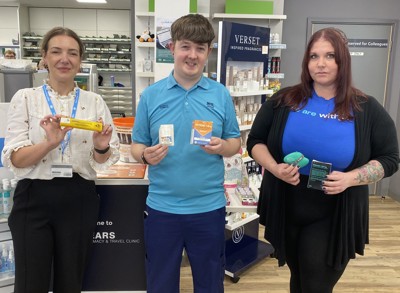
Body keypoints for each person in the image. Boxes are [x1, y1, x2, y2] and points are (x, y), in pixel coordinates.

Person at [247, 27, 399, 293]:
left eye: (330, 56)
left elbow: (390, 158)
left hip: (335, 211)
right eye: (314, 56)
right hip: (288, 205)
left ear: (343, 61)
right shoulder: (283, 101)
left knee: (316, 284)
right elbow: (255, 141)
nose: (320, 63)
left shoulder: (366, 108)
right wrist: (274, 168)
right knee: (298, 279)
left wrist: (351, 179)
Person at [1, 27, 120, 293]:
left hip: (79, 197)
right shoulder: (26, 98)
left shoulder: (95, 101)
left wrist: (101, 147)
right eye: (56, 51)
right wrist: (49, 143)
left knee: (71, 283)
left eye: (72, 53)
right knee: (30, 284)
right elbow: (15, 159)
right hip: (34, 198)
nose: (64, 59)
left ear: (80, 61)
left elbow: (103, 161)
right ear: (44, 57)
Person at [131, 14, 241, 293]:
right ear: (172, 48)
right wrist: (146, 156)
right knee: (161, 284)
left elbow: (235, 143)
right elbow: (136, 145)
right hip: (162, 209)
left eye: (201, 48)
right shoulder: (152, 96)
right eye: (186, 46)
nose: (192, 55)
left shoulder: (220, 94)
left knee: (210, 283)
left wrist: (222, 146)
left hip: (208, 208)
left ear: (208, 52)